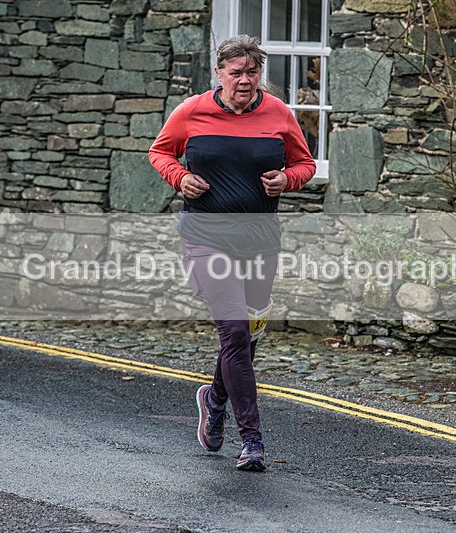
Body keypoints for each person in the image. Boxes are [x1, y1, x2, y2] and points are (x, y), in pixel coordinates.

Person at [148, 35, 316, 471]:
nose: (244, 80)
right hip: (206, 236)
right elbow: (160, 152)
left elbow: (305, 164)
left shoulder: (278, 113)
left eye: (252, 72)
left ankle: (214, 396)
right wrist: (179, 178)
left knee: (249, 335)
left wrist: (288, 180)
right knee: (236, 333)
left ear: (261, 74)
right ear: (219, 73)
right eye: (236, 72)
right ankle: (252, 441)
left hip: (261, 239)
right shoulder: (192, 111)